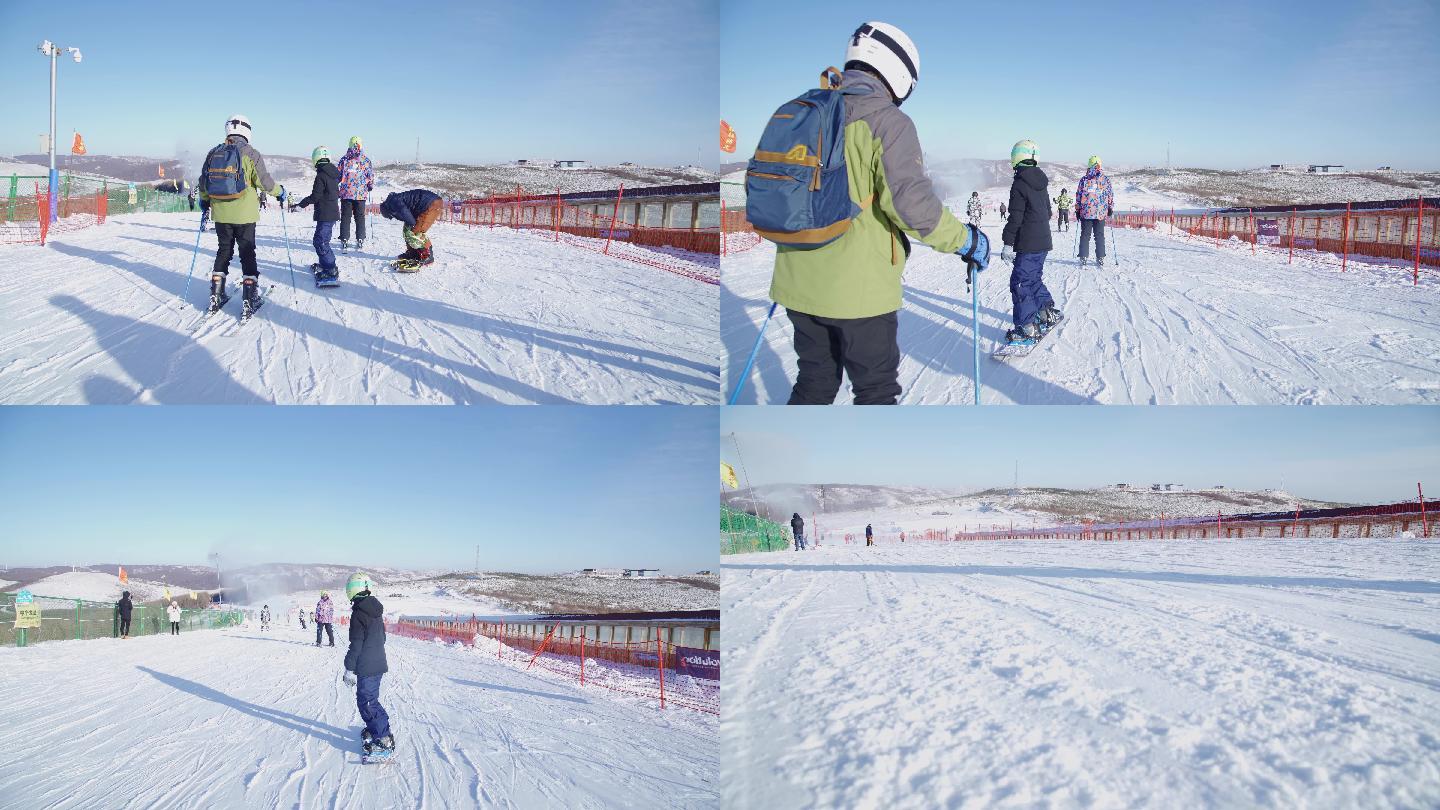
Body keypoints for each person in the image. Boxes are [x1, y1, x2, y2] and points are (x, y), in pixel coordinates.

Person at [767, 22, 988, 405]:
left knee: (815, 381)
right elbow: (911, 205)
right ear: (900, 71)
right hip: (859, 292)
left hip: (796, 282)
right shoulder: (888, 122)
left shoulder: (803, 116)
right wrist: (965, 240)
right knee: (875, 391)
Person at [197, 114, 287, 317]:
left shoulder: (214, 153)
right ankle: (250, 297)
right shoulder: (251, 153)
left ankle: (216, 294)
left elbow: (204, 182)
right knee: (247, 252)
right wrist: (280, 192)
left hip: (220, 212)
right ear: (247, 131)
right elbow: (265, 182)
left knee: (224, 250)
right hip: (245, 215)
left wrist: (204, 200)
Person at [999, 139, 1060, 348]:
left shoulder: (1020, 183)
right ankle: (1045, 312)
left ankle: (1026, 327)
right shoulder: (1041, 181)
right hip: (1043, 241)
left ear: (1016, 157)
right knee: (1032, 278)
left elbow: (1015, 217)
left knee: (1020, 282)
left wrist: (1008, 243)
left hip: (1029, 243)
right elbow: (1049, 211)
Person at [342, 572, 395, 758]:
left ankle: (383, 739)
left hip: (368, 666)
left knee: (367, 702)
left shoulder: (358, 613)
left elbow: (356, 644)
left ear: (353, 589)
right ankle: (381, 729)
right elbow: (383, 637)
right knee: (370, 700)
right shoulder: (375, 609)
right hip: (377, 662)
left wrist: (349, 668)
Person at [294, 146, 341, 286]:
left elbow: (316, 196)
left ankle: (331, 268)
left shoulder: (321, 175)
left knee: (320, 241)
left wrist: (301, 204)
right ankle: (326, 264)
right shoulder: (333, 173)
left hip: (326, 214)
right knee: (323, 240)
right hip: (331, 212)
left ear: (316, 158)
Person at [379, 189, 444, 269]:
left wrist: (413, 227)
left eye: (391, 216)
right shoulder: (393, 201)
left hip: (432, 204)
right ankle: (413, 253)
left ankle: (428, 256)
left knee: (416, 231)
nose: (392, 217)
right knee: (407, 230)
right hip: (424, 206)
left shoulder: (394, 202)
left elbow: (405, 214)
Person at [1074, 155, 1114, 266]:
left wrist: (1077, 209)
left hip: (1086, 212)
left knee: (1085, 235)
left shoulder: (1084, 179)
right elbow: (1110, 195)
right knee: (1099, 235)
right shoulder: (1105, 180)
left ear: (1089, 165)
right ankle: (1100, 257)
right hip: (1101, 212)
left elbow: (1078, 195)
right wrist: (1110, 207)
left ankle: (1083, 256)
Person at [337, 136, 374, 251]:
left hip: (346, 193)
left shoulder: (344, 159)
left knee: (345, 217)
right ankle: (360, 239)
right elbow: (370, 176)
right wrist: (370, 186)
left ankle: (344, 239)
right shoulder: (366, 160)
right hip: (360, 194)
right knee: (360, 217)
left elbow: (338, 175)